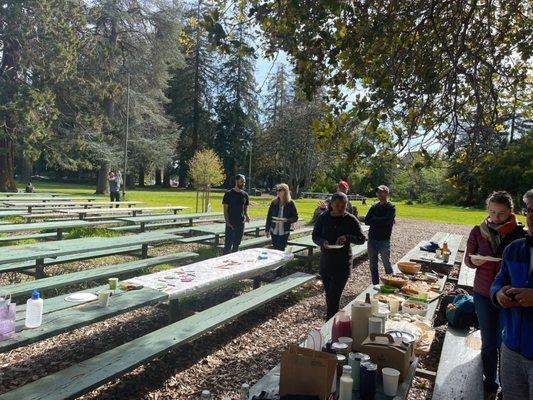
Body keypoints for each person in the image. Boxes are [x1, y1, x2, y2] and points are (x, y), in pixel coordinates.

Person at [465, 191, 526, 399]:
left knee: (507, 343)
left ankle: (509, 386)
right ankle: (491, 383)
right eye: (492, 212)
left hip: (509, 296)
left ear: (511, 211)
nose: (496, 218)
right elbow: (468, 259)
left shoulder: (521, 234)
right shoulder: (478, 231)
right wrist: (475, 261)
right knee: (489, 341)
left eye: (501, 213)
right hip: (483, 292)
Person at [491, 189, 533, 400]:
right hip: (511, 347)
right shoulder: (515, 249)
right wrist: (499, 293)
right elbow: (499, 281)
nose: (531, 218)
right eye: (529, 210)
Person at [312, 192, 366, 320]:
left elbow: (362, 239)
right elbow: (315, 236)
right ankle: (333, 321)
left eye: (343, 206)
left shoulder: (350, 219)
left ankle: (329, 324)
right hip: (326, 262)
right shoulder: (323, 218)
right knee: (329, 295)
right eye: (337, 205)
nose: (340, 208)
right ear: (331, 205)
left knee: (334, 295)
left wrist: (347, 237)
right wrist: (322, 242)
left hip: (343, 263)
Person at [365, 185, 396, 285]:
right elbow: (366, 220)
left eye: (381, 192)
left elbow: (387, 221)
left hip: (384, 239)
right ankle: (375, 285)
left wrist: (374, 219)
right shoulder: (374, 206)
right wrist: (380, 220)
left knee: (386, 263)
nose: (379, 194)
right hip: (372, 239)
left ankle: (391, 284)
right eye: (378, 192)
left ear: (386, 193)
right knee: (373, 264)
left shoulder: (391, 207)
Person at [265, 183, 299, 251]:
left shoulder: (291, 203)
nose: (277, 191)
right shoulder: (274, 202)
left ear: (285, 191)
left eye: (280, 190)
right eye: (277, 190)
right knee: (274, 249)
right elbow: (269, 216)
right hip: (274, 230)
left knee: (280, 250)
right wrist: (267, 229)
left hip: (284, 231)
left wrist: (287, 220)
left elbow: (295, 217)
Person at [222, 174, 250, 255]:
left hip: (241, 223)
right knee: (227, 245)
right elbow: (225, 210)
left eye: (244, 182)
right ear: (236, 181)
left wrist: (247, 215)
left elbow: (245, 208)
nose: (243, 184)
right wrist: (227, 222)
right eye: (241, 182)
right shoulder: (228, 194)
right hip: (231, 223)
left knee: (236, 245)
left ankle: (233, 263)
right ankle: (223, 262)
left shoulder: (245, 195)